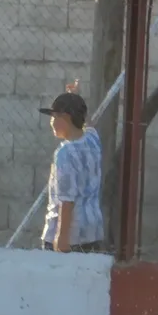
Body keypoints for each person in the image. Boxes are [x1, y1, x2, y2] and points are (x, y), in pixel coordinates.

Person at [39, 80, 104, 254]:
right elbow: (87, 124)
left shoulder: (65, 153)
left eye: (54, 117)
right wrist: (75, 99)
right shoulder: (92, 139)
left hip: (70, 237)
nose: (52, 122)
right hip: (92, 231)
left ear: (66, 118)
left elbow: (67, 201)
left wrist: (61, 240)